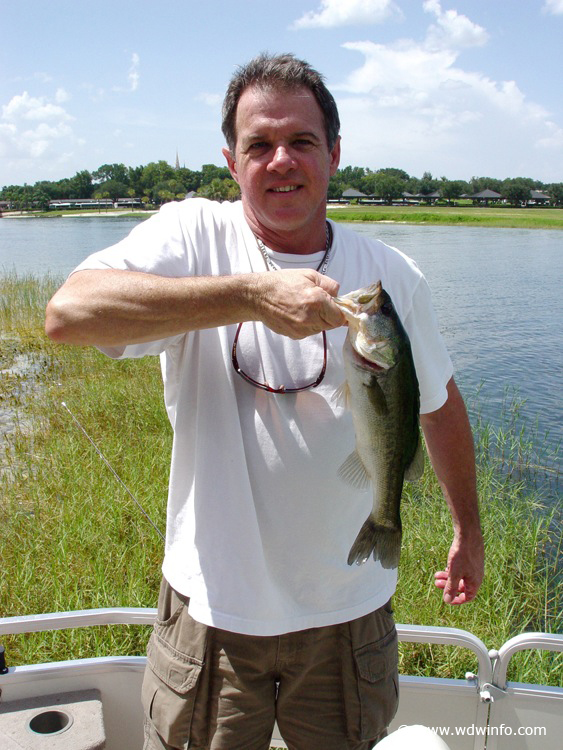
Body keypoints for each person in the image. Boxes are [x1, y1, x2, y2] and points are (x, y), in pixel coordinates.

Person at [45, 53, 484, 750]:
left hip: (347, 615)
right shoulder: (192, 235)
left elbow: (436, 402)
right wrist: (247, 295)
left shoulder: (391, 274)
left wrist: (468, 530)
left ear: (334, 154)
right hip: (212, 614)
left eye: (301, 141)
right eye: (259, 144)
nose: (281, 160)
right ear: (232, 161)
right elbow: (68, 316)